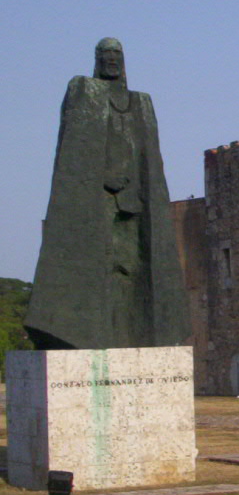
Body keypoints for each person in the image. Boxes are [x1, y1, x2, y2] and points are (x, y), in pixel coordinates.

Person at [24, 38, 190, 350]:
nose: (112, 61)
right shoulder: (84, 92)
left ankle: (129, 335)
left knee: (130, 268)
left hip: (134, 199)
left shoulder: (140, 102)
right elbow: (75, 151)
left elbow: (148, 153)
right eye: (106, 55)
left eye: (117, 55)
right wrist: (102, 176)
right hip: (97, 198)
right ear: (98, 60)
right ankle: (83, 335)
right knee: (98, 265)